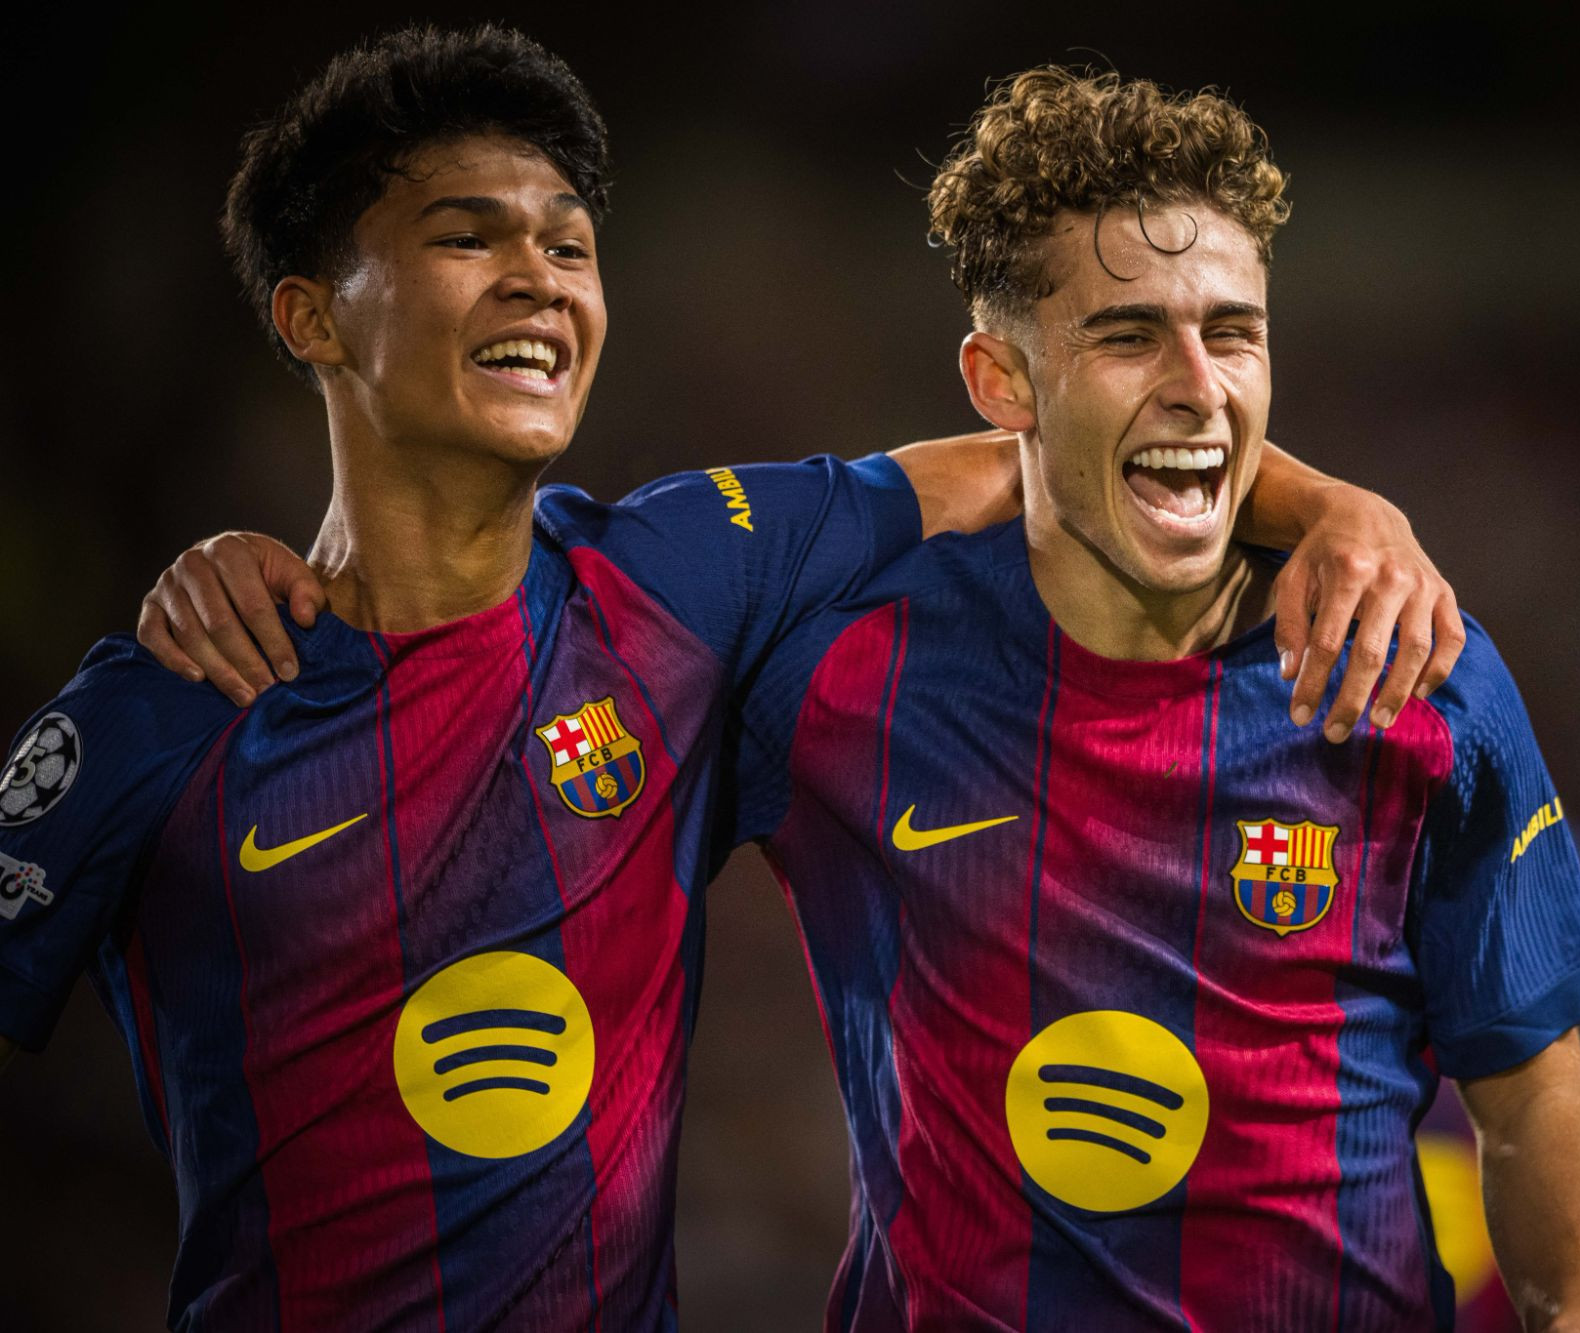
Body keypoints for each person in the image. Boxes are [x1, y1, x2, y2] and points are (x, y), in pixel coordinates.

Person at [0, 27, 1458, 1331]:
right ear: (314, 318)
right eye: (466, 236)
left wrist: (1340, 510)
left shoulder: (688, 580)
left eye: (570, 246)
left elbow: (1049, 453)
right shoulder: (167, 705)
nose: (540, 278)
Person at [713, 68, 1580, 1329]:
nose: (1199, 383)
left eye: (1232, 332)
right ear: (1000, 380)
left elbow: (1531, 1100)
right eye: (1128, 335)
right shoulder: (844, 673)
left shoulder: (1411, 667)